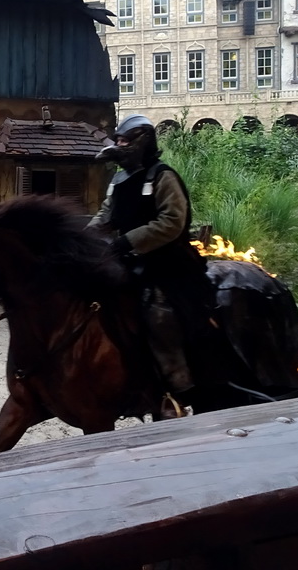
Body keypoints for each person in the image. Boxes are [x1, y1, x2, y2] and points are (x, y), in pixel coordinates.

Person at [89, 114, 214, 407]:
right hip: (129, 263)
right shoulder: (118, 179)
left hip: (169, 265)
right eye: (116, 140)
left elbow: (172, 222)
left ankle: (177, 390)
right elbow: (105, 216)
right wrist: (81, 242)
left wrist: (128, 241)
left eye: (122, 141)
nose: (117, 145)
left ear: (140, 143)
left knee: (158, 314)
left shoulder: (163, 176)